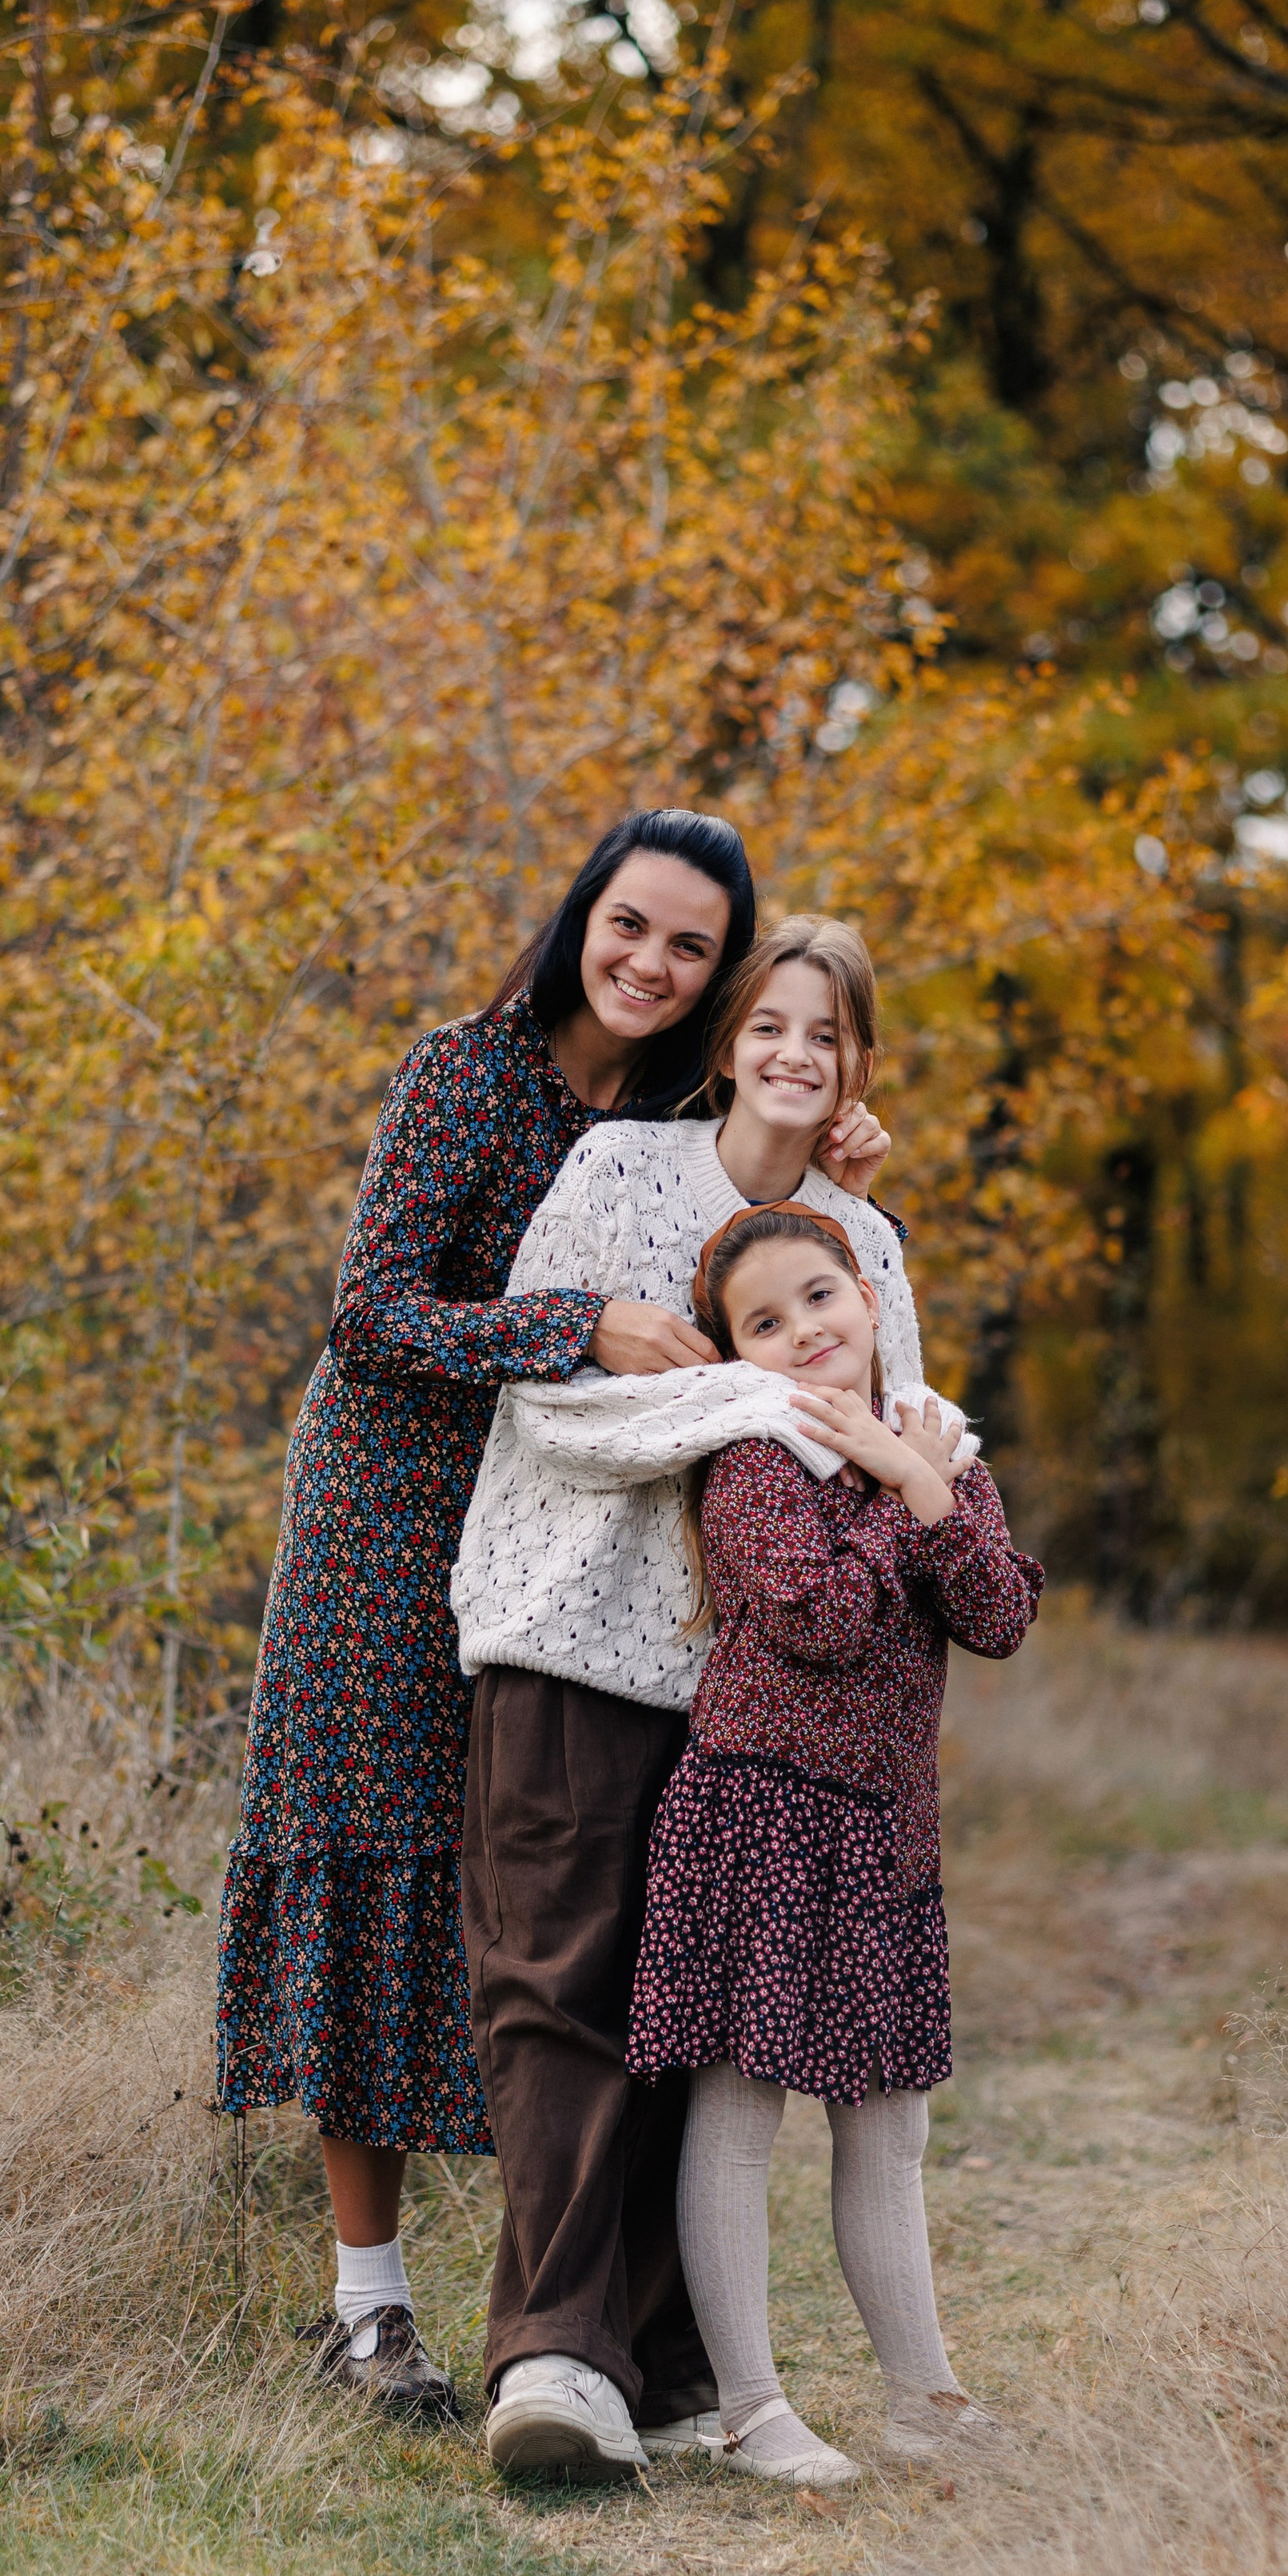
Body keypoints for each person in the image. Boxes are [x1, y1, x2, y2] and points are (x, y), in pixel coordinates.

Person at [216, 809, 773, 2418]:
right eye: (629, 927)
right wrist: (570, 1325)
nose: (651, 965)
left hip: (571, 1536)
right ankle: (366, 2315)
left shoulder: (687, 1112)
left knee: (551, 1886)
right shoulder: (469, 1069)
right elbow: (370, 1312)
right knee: (375, 1864)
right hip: (388, 1513)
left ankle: (576, 2312)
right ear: (578, 916)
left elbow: (760, 1262)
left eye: (688, 946)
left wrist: (829, 1161)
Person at [452, 917, 946, 2478]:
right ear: (729, 1041)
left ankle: (669, 2366)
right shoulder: (615, 1176)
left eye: (829, 1036)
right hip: (575, 1640)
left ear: (860, 1066)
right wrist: (750, 1394)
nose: (798, 1057)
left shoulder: (862, 1242)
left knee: (694, 2039)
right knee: (566, 1996)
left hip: (760, 1697)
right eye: (773, 1026)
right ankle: (552, 2361)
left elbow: (898, 1452)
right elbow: (550, 1399)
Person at [622, 1202, 1043, 2489]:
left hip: (884, 1837)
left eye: (820, 1298)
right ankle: (751, 2409)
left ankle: (923, 2397)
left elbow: (1001, 1613)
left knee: (888, 2128)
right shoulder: (754, 1460)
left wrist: (922, 1477)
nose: (804, 1331)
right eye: (766, 1321)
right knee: (742, 2111)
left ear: (867, 1297)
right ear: (739, 1355)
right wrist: (890, 1485)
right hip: (760, 1808)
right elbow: (820, 1619)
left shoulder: (942, 1451)